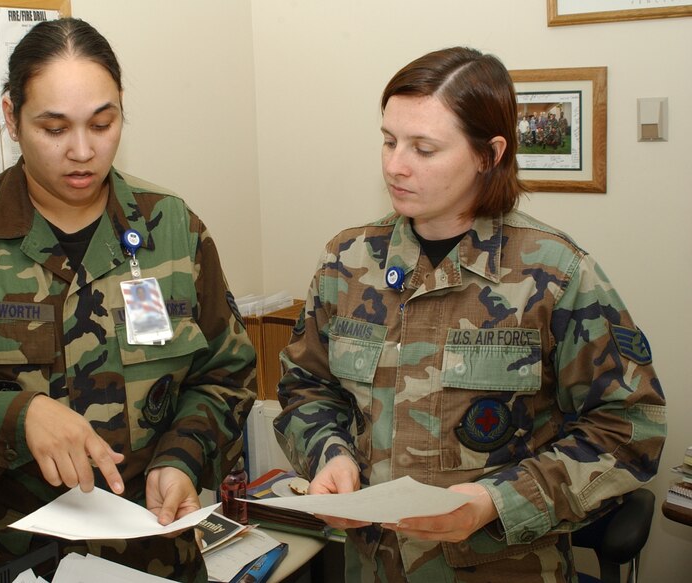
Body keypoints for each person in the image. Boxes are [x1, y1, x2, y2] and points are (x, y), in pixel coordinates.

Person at [0, 18, 256, 583]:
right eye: (54, 128)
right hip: (8, 556)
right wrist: (14, 418)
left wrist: (182, 456)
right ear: (11, 119)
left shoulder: (173, 229)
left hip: (151, 556)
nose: (82, 151)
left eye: (103, 123)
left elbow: (225, 375)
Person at [273, 47, 666, 583]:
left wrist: (496, 501)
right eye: (388, 140)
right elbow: (306, 388)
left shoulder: (554, 273)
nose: (395, 164)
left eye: (424, 148)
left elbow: (629, 428)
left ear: (488, 154)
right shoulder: (348, 262)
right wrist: (329, 454)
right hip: (373, 568)